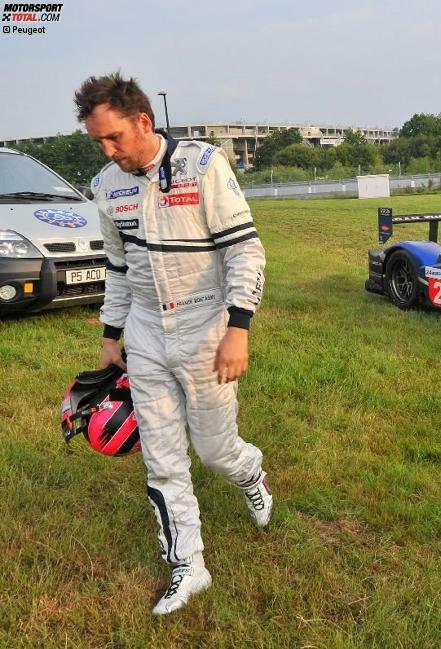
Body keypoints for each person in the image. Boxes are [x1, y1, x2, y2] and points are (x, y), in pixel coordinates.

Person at [74, 72, 272, 616]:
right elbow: (116, 268)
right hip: (144, 333)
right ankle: (189, 564)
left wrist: (238, 329)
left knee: (213, 451)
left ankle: (250, 472)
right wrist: (112, 338)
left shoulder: (203, 165)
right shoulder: (105, 185)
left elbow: (245, 252)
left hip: (206, 329)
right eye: (99, 142)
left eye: (115, 137)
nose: (109, 151)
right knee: (162, 461)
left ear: (143, 120)